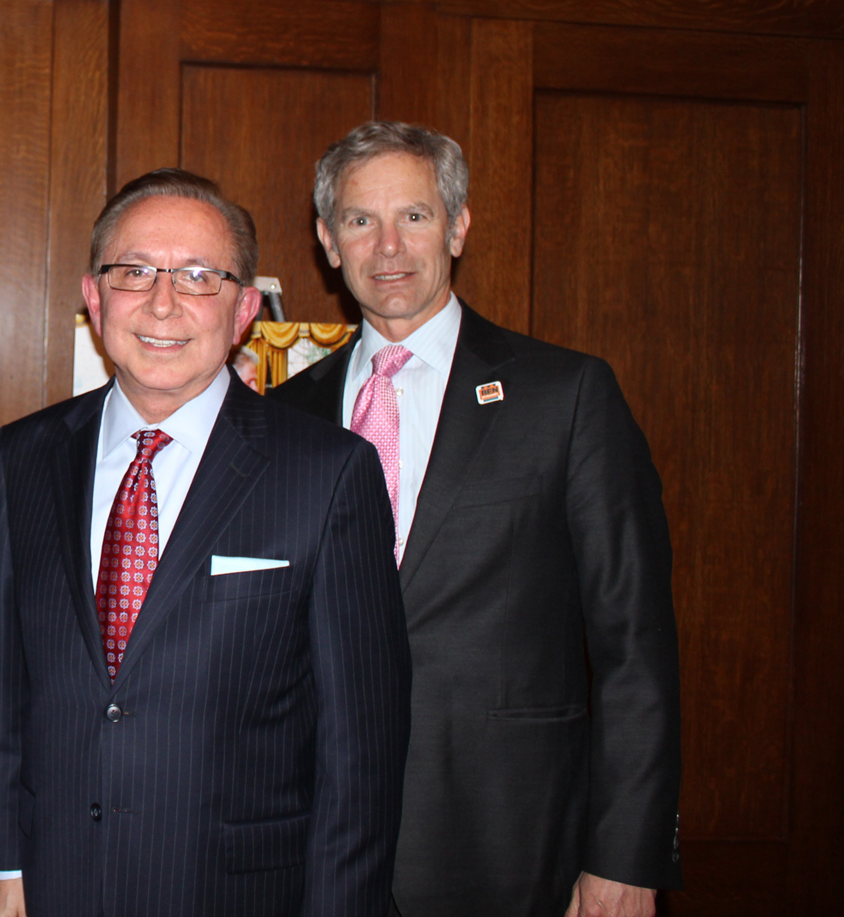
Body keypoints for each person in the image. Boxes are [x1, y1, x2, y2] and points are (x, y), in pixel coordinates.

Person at [269, 122, 681, 917]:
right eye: (359, 220)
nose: (388, 246)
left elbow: (636, 646)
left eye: (415, 217)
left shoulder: (567, 398)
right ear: (326, 240)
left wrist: (626, 859)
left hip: (508, 846)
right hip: (312, 846)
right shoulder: (285, 419)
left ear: (457, 226)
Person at [0, 168, 411, 917]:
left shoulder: (327, 473)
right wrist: (6, 869)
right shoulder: (26, 454)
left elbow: (361, 750)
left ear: (245, 309)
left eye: (201, 277)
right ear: (93, 296)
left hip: (239, 892)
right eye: (134, 271)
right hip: (53, 887)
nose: (163, 302)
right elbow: (4, 686)